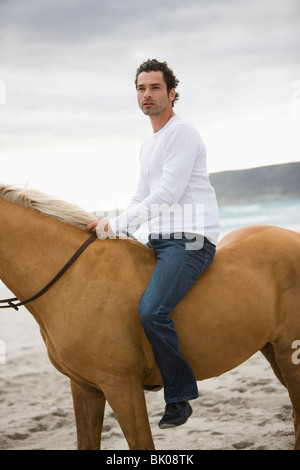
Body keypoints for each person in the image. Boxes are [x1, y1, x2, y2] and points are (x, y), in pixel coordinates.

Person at [87, 59, 220, 429]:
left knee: (151, 310)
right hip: (158, 240)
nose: (147, 95)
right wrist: (111, 226)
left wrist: (116, 224)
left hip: (190, 240)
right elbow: (141, 195)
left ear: (172, 92)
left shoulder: (182, 133)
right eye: (141, 89)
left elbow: (166, 194)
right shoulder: (149, 144)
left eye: (155, 88)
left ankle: (178, 395)